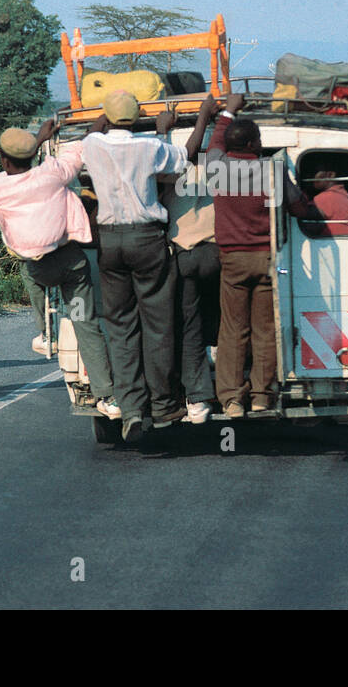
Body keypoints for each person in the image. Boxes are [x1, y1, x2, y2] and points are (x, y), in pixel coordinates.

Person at [0, 119, 116, 416]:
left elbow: (18, 172)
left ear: (3, 159)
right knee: (86, 325)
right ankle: (107, 395)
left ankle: (44, 331)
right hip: (72, 266)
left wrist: (37, 141)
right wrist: (95, 128)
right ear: (31, 156)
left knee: (26, 267)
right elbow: (77, 153)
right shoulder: (54, 174)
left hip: (40, 271)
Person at [82, 90, 189, 443]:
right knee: (157, 324)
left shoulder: (94, 145)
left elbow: (94, 130)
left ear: (107, 118)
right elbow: (182, 160)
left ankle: (130, 409)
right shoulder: (149, 147)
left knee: (121, 327)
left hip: (109, 242)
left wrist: (104, 117)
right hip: (147, 240)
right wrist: (163, 129)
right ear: (138, 117)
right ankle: (162, 405)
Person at [206, 92, 279, 417]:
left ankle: (233, 400)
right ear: (252, 144)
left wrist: (226, 114)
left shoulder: (218, 169)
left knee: (233, 330)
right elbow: (295, 204)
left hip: (232, 261)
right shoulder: (271, 171)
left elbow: (214, 146)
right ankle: (262, 395)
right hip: (265, 258)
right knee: (265, 330)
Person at [162, 95, 220, 425]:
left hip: (182, 254)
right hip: (216, 253)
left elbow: (180, 159)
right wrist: (210, 116)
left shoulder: (171, 169)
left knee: (189, 324)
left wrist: (164, 131)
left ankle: (197, 398)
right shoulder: (218, 167)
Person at [288, 169, 348, 237]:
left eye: (314, 172)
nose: (310, 176)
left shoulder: (329, 197)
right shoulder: (340, 194)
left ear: (331, 175)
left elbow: (299, 211)